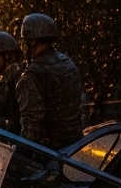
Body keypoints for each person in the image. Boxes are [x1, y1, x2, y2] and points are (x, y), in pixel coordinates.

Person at [16, 13, 85, 149]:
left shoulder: (31, 76)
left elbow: (31, 128)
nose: (22, 47)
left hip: (48, 155)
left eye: (24, 42)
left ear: (32, 42)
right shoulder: (67, 63)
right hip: (76, 149)